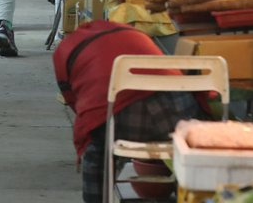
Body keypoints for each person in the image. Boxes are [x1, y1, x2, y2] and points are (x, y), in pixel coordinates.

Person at [53, 20, 201, 203]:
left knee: (99, 149)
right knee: (189, 148)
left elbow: (76, 103)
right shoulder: (133, 34)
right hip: (177, 113)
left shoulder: (65, 51)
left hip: (121, 117)